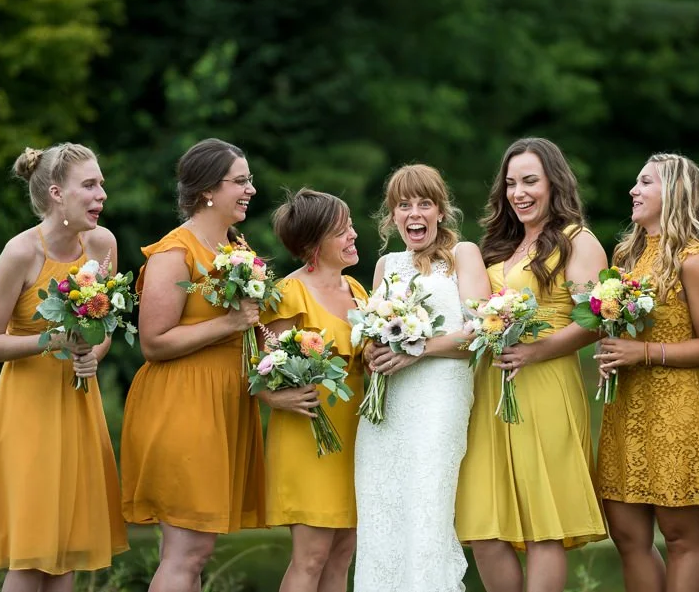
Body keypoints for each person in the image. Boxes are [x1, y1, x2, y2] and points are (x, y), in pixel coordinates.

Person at [0, 143, 127, 591]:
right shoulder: (20, 253)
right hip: (28, 411)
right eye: (90, 186)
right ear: (57, 193)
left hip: (78, 405)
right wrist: (49, 340)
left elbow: (105, 327)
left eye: (102, 185)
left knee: (67, 552)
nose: (102, 196)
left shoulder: (103, 244)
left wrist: (91, 356)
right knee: (32, 554)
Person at [455, 138, 608, 591]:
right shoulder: (499, 246)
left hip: (545, 386)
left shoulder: (578, 241)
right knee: (484, 526)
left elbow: (596, 318)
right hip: (490, 392)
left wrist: (537, 350)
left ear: (553, 183)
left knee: (544, 525)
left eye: (529, 181)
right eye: (510, 184)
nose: (518, 193)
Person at [119, 138, 267, 591]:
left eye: (249, 180)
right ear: (207, 190)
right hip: (183, 403)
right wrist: (229, 323)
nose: (251, 190)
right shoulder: (174, 252)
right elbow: (154, 341)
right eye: (240, 181)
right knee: (189, 551)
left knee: (194, 553)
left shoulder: (234, 244)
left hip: (223, 403)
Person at [594, 154, 699, 592]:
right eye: (636, 182)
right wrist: (611, 350)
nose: (634, 190)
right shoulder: (626, 256)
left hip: (678, 411)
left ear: (674, 193)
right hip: (626, 408)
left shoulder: (696, 261)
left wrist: (643, 351)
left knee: (679, 536)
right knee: (628, 535)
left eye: (645, 182)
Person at [354, 164, 490, 592]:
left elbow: (483, 330)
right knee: (382, 508)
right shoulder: (386, 265)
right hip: (386, 406)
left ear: (441, 212)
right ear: (392, 216)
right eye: (403, 204)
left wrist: (418, 350)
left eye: (424, 203)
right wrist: (370, 349)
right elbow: (369, 334)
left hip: (439, 399)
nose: (415, 213)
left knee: (428, 506)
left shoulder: (463, 255)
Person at [259, 188, 366, 592]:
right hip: (310, 436)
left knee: (342, 556)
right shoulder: (290, 293)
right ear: (311, 243)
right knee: (312, 557)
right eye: (342, 230)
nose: (354, 235)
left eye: (351, 225)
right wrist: (274, 395)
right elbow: (263, 367)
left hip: (356, 436)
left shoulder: (358, 290)